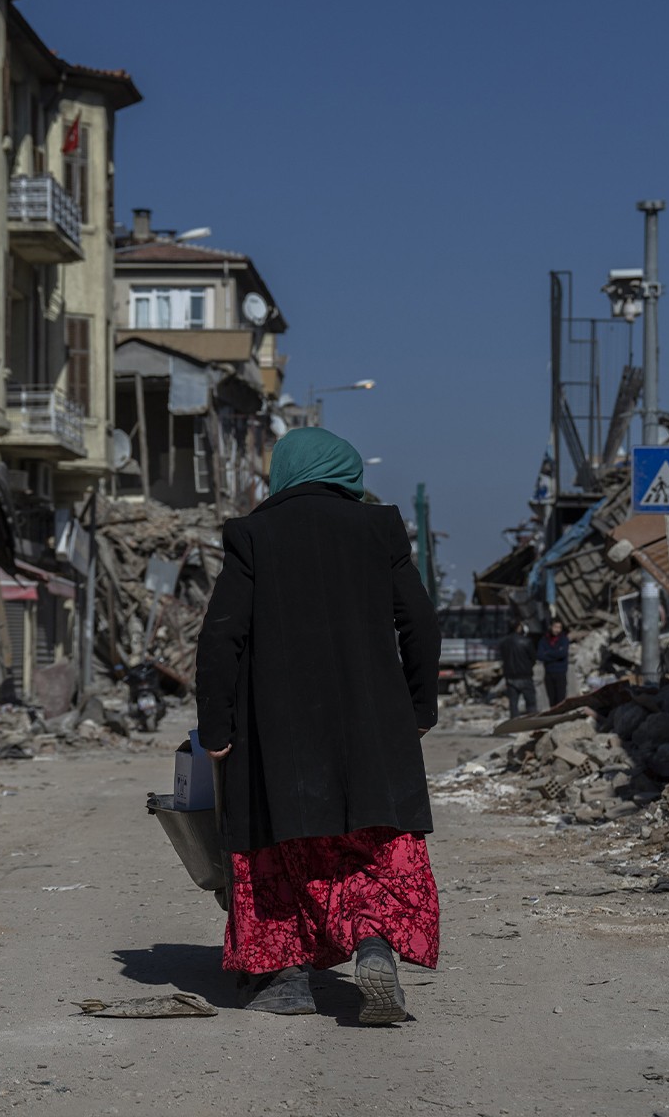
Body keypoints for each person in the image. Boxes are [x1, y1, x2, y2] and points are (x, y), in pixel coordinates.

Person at [196, 426, 442, 1024]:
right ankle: (376, 944)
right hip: (372, 729)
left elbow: (221, 639)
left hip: (275, 734)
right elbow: (420, 625)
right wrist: (417, 710)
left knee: (280, 848)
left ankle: (286, 978)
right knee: (372, 846)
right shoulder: (379, 528)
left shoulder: (254, 534)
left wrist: (217, 730)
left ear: (285, 471)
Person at [496, 619, 537, 718]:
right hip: (525, 676)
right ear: (518, 627)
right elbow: (533, 658)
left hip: (510, 677)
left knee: (513, 704)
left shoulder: (503, 642)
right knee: (531, 703)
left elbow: (503, 658)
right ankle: (532, 724)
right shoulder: (526, 642)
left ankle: (515, 726)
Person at [536, 617, 571, 708]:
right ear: (551, 627)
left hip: (560, 672)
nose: (557, 630)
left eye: (559, 627)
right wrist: (555, 654)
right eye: (555, 627)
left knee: (561, 699)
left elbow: (562, 654)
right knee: (552, 699)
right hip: (549, 673)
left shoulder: (564, 639)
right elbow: (540, 655)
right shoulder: (544, 640)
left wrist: (548, 653)